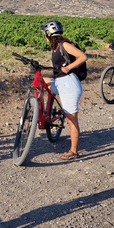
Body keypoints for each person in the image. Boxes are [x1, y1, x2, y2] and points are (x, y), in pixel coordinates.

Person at [40, 20, 87, 161]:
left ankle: (73, 151)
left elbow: (83, 57)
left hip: (69, 84)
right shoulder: (54, 47)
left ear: (49, 34)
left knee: (72, 120)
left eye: (45, 34)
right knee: (40, 81)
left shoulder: (64, 45)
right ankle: (43, 112)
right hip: (60, 81)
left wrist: (69, 67)